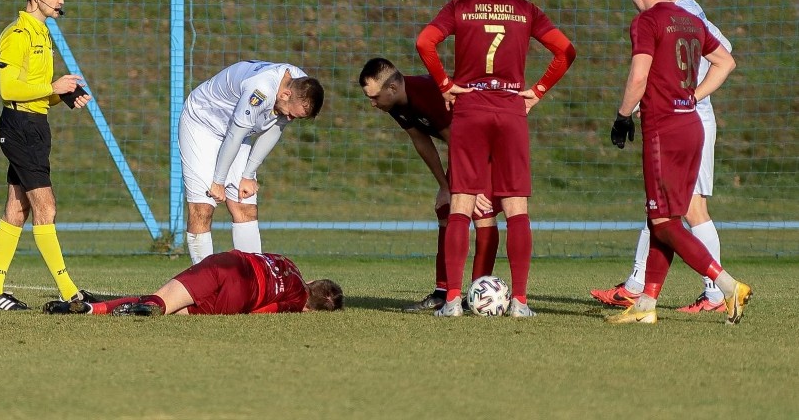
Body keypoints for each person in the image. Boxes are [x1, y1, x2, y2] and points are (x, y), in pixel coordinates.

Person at [415, 0, 577, 317]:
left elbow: (425, 42)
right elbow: (566, 51)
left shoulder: (459, 7)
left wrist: (445, 84)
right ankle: (519, 302)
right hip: (510, 111)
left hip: (470, 109)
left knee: (461, 204)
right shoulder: (525, 9)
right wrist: (537, 90)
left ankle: (452, 300)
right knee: (517, 208)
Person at [605, 0, 751, 325]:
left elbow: (638, 76)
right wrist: (694, 96)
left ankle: (726, 284)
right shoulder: (691, 20)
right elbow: (725, 61)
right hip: (692, 126)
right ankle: (646, 304)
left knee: (663, 221)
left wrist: (623, 116)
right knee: (665, 216)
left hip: (664, 129)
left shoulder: (647, 20)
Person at [0, 0, 96, 311]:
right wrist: (52, 86)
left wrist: (62, 95)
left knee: (18, 208)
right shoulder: (18, 34)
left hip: (35, 126)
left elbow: (33, 92)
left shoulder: (42, 33)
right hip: (19, 128)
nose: (62, 1)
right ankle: (69, 291)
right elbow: (8, 89)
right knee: (46, 208)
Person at [358, 57, 501, 312]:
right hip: (464, 147)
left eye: (375, 97)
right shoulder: (395, 104)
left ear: (392, 88)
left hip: (488, 146)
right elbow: (421, 140)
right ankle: (443, 292)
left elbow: (460, 137)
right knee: (447, 208)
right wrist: (445, 186)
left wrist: (475, 185)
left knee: (481, 211)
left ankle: (479, 292)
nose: (372, 103)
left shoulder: (427, 95)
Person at [180, 60, 324, 264]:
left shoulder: (300, 82)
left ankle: (254, 283)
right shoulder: (261, 90)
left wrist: (248, 175)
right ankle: (205, 288)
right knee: (202, 208)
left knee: (244, 205)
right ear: (285, 94)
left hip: (237, 132)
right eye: (291, 114)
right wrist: (218, 181)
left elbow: (275, 129)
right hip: (202, 124)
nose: (290, 119)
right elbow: (234, 135)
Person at [42, 250, 343, 316]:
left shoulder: (288, 263)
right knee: (175, 308)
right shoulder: (293, 304)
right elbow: (259, 312)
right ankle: (92, 309)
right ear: (310, 309)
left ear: (312, 280)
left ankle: (93, 307)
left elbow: (257, 255)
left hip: (231, 265)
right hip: (239, 298)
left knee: (160, 298)